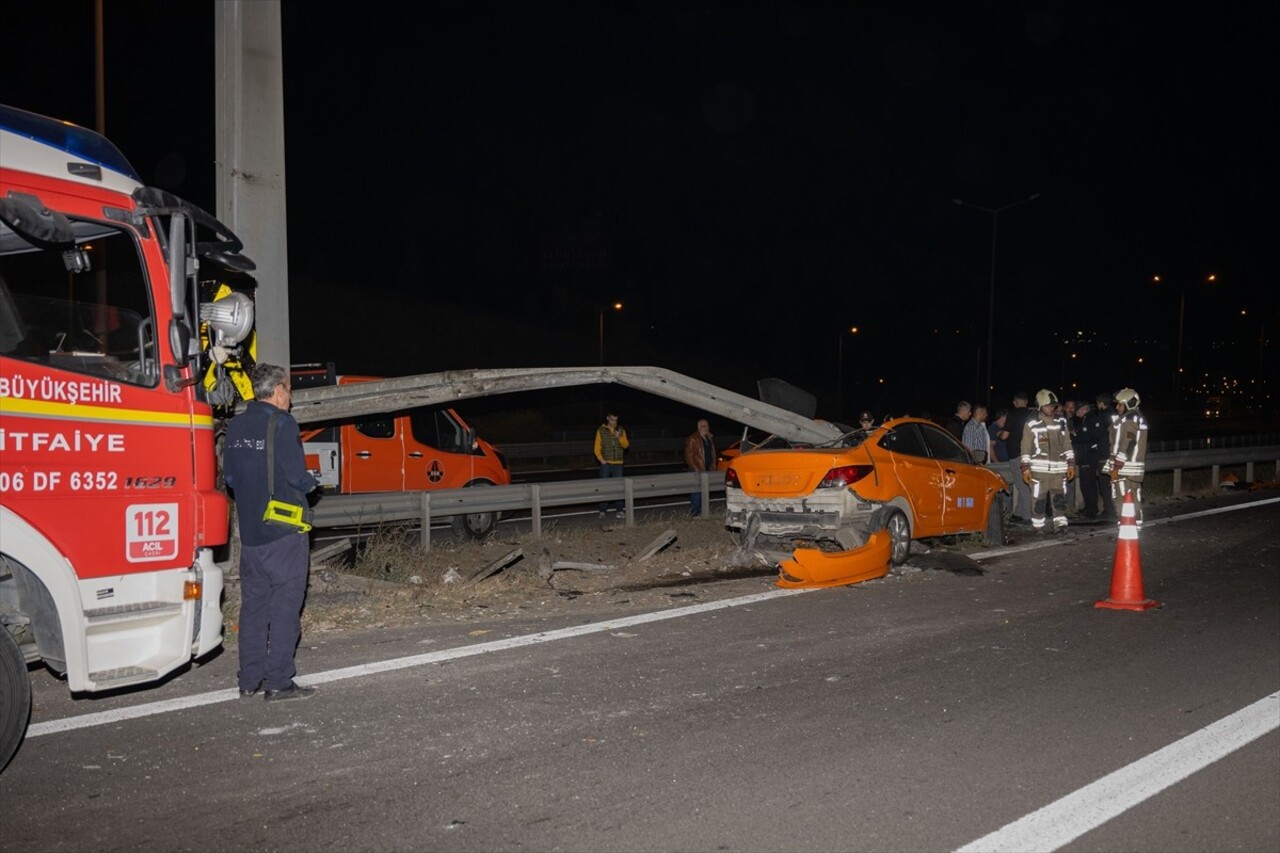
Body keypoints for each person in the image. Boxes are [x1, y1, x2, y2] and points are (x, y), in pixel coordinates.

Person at [224, 363, 320, 702]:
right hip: (284, 532)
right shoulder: (282, 423)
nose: (290, 398)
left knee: (253, 608)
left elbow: (231, 480)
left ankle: (249, 680)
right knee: (284, 606)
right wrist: (313, 482)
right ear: (278, 390)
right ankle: (278, 681)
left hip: (251, 534)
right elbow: (297, 477)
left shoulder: (235, 425)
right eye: (289, 390)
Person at [1019, 389, 1076, 535]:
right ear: (1039, 406)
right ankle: (1038, 527)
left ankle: (1061, 526)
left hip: (1058, 471)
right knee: (1038, 501)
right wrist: (1025, 468)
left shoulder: (1061, 422)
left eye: (1053, 406)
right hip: (1039, 472)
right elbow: (1025, 447)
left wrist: (1071, 464)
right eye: (1048, 406)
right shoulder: (1031, 424)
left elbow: (1067, 444)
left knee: (1059, 499)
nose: (1051, 408)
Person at [1104, 387, 1149, 529]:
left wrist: (1117, 466)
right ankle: (1135, 525)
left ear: (1129, 404)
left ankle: (1127, 526)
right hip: (1130, 468)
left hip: (1124, 468)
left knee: (1122, 497)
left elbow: (1127, 445)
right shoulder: (1135, 418)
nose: (1117, 407)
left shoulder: (1130, 420)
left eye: (1120, 404)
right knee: (1133, 496)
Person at [1082, 393, 1118, 520]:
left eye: (1098, 404)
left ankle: (1109, 510)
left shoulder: (1103, 415)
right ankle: (1115, 508)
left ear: (1101, 403)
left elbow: (1098, 434)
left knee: (1104, 484)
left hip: (1104, 453)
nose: (1097, 406)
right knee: (1112, 484)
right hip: (1114, 452)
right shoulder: (1116, 414)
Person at [1002, 391, 1034, 524]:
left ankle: (1027, 516)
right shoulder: (1034, 415)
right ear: (1026, 402)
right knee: (1024, 485)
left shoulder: (1013, 414)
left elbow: (1004, 436)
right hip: (1031, 454)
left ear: (1015, 403)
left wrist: (999, 434)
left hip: (1017, 454)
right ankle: (1018, 513)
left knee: (1023, 485)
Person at [593, 411, 630, 518]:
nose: (614, 422)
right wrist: (601, 460)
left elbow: (626, 445)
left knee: (618, 487)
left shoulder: (621, 430)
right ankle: (602, 511)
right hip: (606, 463)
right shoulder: (601, 430)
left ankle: (619, 510)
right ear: (608, 418)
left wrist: (619, 437)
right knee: (605, 487)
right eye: (612, 419)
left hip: (618, 463)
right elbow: (596, 447)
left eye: (616, 420)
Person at [683, 418, 716, 516]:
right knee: (696, 493)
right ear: (698, 427)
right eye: (703, 426)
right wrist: (696, 468)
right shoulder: (693, 438)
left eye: (707, 426)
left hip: (707, 471)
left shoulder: (709, 437)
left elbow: (712, 454)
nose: (706, 428)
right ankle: (695, 514)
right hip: (696, 471)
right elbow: (688, 455)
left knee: (704, 493)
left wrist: (713, 467)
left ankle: (703, 513)